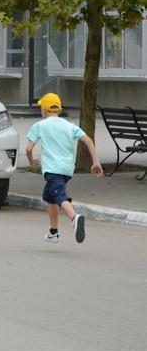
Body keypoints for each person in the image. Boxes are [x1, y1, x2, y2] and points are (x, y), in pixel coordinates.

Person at [26, 93, 103, 244]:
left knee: (59, 196)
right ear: (59, 110)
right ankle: (53, 232)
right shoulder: (69, 126)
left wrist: (31, 161)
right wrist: (96, 162)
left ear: (44, 110)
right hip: (67, 169)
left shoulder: (39, 126)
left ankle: (74, 218)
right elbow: (88, 140)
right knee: (50, 197)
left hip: (52, 170)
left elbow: (28, 149)